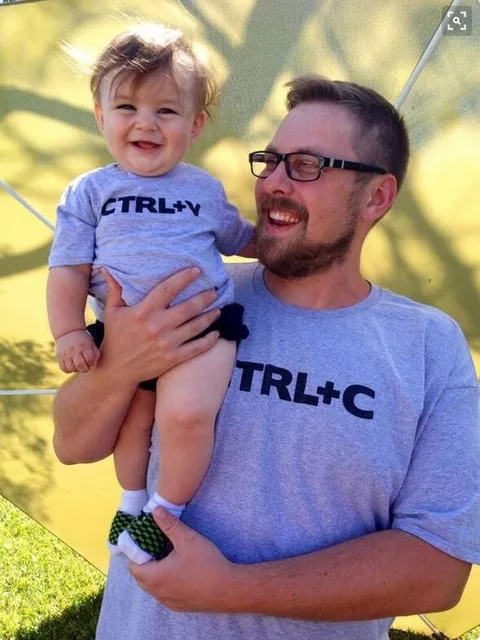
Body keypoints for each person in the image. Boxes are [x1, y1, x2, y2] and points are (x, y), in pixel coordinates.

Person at [53, 75, 480, 640]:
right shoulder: (190, 298)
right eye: (271, 161)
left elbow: (439, 571)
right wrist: (122, 364)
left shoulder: (429, 346)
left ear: (376, 196)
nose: (273, 183)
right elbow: (73, 444)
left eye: (305, 165)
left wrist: (230, 588)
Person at [47, 24, 255, 564]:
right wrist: (69, 332)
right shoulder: (88, 192)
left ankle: (165, 513)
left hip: (203, 330)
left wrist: (281, 245)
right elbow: (68, 269)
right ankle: (132, 501)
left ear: (195, 124)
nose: (145, 122)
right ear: (100, 116)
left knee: (183, 415)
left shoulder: (203, 189)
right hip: (121, 335)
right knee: (133, 426)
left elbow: (240, 238)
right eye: (126, 107)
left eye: (166, 110)